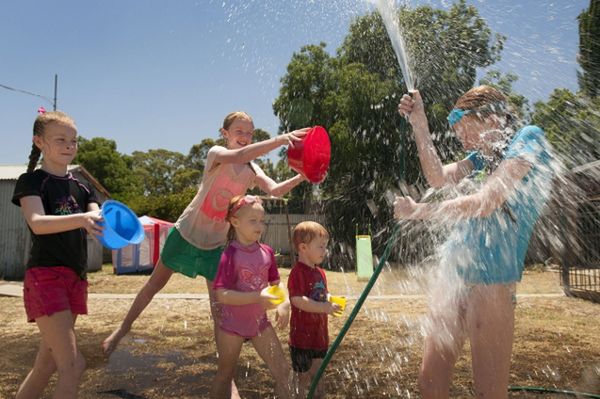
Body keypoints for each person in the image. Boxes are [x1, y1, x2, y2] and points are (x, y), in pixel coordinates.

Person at [396, 85, 554, 399]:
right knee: (429, 385)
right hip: (454, 272)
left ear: (490, 117)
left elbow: (486, 201)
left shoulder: (528, 140)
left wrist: (419, 211)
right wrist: (420, 123)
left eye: (464, 129)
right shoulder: (481, 158)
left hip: (493, 281)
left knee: (488, 392)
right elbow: (437, 177)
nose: (461, 140)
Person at [12, 110, 103, 399]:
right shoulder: (32, 181)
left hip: (76, 279)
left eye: (74, 140)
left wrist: (110, 222)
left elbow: (96, 218)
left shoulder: (83, 188)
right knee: (73, 365)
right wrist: (82, 220)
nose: (69, 145)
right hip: (46, 276)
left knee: (46, 364)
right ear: (39, 142)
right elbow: (37, 223)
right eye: (61, 139)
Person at [210, 195, 291, 399]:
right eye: (253, 221)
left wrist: (284, 302)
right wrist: (258, 297)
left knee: (283, 373)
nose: (259, 226)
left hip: (260, 324)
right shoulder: (229, 255)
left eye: (262, 220)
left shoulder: (267, 252)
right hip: (232, 326)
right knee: (225, 375)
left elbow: (276, 283)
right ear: (235, 222)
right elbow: (222, 294)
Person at [287, 221, 342, 399]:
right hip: (301, 338)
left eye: (325, 246)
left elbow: (321, 294)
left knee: (319, 375)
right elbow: (297, 300)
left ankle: (319, 396)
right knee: (301, 377)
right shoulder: (297, 273)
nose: (324, 251)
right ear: (303, 247)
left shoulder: (320, 272)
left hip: (319, 336)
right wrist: (323, 307)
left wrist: (330, 299)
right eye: (320, 246)